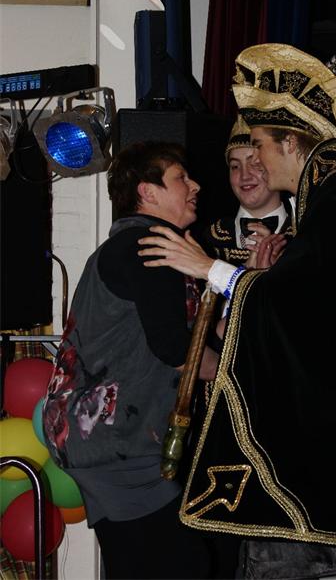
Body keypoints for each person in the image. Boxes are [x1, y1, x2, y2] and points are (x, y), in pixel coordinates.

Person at [137, 44, 336, 579]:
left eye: (260, 144)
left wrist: (211, 269)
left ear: (292, 143)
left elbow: (301, 311)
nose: (255, 159)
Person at [42, 142, 218, 580]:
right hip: (118, 442)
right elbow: (178, 353)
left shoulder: (131, 246)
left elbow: (177, 339)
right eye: (181, 178)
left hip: (97, 438)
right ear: (147, 191)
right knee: (184, 566)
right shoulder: (148, 246)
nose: (195, 185)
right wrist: (245, 371)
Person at [203, 115, 293, 268]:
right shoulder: (209, 238)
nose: (245, 176)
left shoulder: (305, 235)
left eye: (255, 163)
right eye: (235, 166)